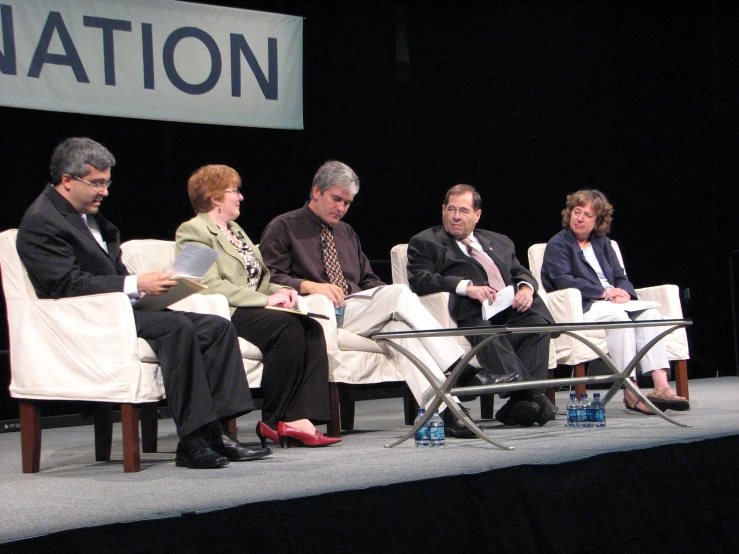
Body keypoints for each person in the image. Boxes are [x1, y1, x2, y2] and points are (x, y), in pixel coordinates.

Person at [16, 138, 271, 469]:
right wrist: (136, 283)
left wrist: (157, 288)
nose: (104, 191)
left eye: (106, 183)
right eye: (96, 183)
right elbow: (66, 284)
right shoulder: (42, 221)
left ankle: (217, 433)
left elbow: (110, 271)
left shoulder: (89, 218)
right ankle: (192, 440)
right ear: (67, 180)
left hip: (123, 309)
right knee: (176, 327)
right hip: (85, 318)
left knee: (217, 327)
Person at [259, 161, 515, 438]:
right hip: (318, 314)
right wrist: (310, 285)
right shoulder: (283, 226)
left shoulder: (346, 232)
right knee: (401, 292)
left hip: (356, 310)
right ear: (316, 191)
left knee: (400, 330)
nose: (342, 208)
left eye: (347, 203)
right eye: (336, 199)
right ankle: (460, 369)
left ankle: (444, 414)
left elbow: (368, 279)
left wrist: (386, 302)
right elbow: (268, 279)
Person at [175, 164, 340, 448]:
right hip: (226, 311)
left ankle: (300, 419)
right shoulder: (194, 230)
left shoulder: (235, 231)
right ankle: (274, 420)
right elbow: (206, 285)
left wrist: (281, 291)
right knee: (286, 328)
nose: (240, 197)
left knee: (311, 327)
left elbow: (258, 280)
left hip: (254, 307)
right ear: (214, 198)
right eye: (234, 191)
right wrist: (265, 300)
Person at [407, 184, 558, 427]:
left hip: (509, 307)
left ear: (477, 215)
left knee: (537, 322)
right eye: (451, 209)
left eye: (464, 211)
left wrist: (526, 288)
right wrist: (466, 287)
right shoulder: (425, 241)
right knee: (486, 329)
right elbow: (420, 280)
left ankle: (521, 404)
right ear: (443, 210)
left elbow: (520, 271)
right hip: (473, 311)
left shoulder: (500, 241)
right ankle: (533, 398)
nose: (456, 216)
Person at [541, 189, 689, 414]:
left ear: (598, 220)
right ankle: (630, 391)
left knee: (650, 316)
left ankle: (661, 386)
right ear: (569, 213)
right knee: (620, 319)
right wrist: (605, 293)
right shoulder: (558, 245)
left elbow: (620, 276)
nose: (579, 218)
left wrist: (624, 294)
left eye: (587, 215)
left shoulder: (603, 243)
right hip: (583, 307)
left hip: (612, 302)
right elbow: (564, 282)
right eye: (576, 212)